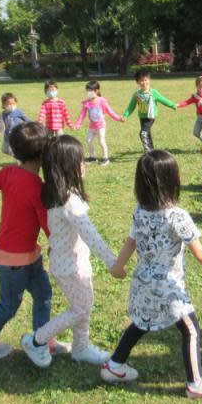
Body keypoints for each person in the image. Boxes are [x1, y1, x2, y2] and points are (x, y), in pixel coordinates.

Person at [101, 150, 202, 399]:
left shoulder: (140, 211)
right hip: (169, 289)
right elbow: (200, 253)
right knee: (190, 329)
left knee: (140, 323)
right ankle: (196, 384)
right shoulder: (177, 216)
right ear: (173, 180)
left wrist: (118, 266)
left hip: (143, 283)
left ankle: (115, 365)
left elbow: (131, 243)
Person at [22, 136, 121, 368]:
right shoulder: (69, 201)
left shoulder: (62, 193)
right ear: (67, 168)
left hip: (74, 262)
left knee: (83, 305)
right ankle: (36, 340)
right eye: (79, 161)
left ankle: (81, 348)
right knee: (80, 309)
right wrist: (112, 263)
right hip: (70, 266)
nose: (83, 165)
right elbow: (91, 236)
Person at [0, 122, 58, 360]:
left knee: (44, 294)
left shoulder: (8, 173)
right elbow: (49, 227)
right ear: (43, 154)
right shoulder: (38, 188)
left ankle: (41, 339)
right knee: (9, 305)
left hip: (28, 256)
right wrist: (60, 247)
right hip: (13, 262)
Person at [122, 69, 177, 153]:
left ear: (149, 80)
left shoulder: (153, 92)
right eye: (141, 80)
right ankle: (151, 150)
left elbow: (163, 99)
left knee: (143, 133)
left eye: (145, 80)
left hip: (151, 116)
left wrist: (172, 105)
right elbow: (131, 107)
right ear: (137, 82)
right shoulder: (137, 94)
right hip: (142, 117)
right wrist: (125, 115)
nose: (144, 82)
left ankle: (147, 151)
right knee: (147, 133)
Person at [74, 81, 124, 165]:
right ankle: (92, 157)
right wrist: (78, 124)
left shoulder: (102, 101)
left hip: (101, 126)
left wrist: (118, 118)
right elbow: (82, 115)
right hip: (91, 127)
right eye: (87, 91)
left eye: (90, 90)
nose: (88, 93)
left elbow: (110, 111)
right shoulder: (87, 103)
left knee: (101, 141)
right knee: (88, 140)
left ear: (96, 91)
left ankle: (105, 158)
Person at [0, 92, 29, 157]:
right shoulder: (3, 114)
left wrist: (31, 127)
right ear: (3, 105)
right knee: (5, 150)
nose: (11, 105)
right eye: (8, 104)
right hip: (7, 136)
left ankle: (20, 162)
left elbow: (27, 120)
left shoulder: (18, 111)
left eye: (13, 103)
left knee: (15, 151)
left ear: (16, 103)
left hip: (17, 135)